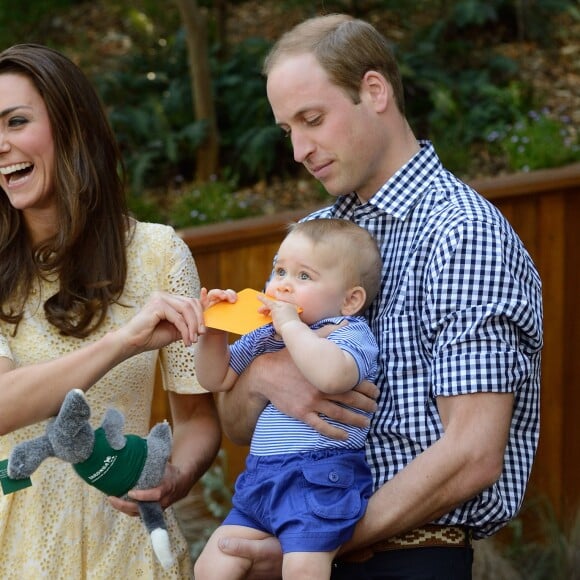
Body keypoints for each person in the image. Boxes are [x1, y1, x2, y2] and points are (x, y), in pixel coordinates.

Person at [213, 13, 543, 580]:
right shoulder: (314, 237)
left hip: (412, 556)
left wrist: (324, 541)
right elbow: (237, 423)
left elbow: (473, 451)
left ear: (374, 90)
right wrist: (263, 376)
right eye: (288, 129)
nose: (298, 150)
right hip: (300, 546)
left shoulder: (462, 232)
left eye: (312, 119)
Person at [0, 44, 221, 579]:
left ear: (71, 125)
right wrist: (123, 341)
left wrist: (176, 477)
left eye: (17, 121)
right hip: (15, 551)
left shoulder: (160, 253)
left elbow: (196, 419)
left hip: (131, 551)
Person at [192, 218, 382, 580]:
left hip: (319, 477)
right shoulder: (267, 335)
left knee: (302, 569)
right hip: (262, 478)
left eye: (304, 277)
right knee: (211, 564)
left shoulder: (348, 333)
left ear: (350, 300)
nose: (283, 285)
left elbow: (330, 375)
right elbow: (216, 377)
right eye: (279, 270)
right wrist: (213, 332)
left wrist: (291, 327)